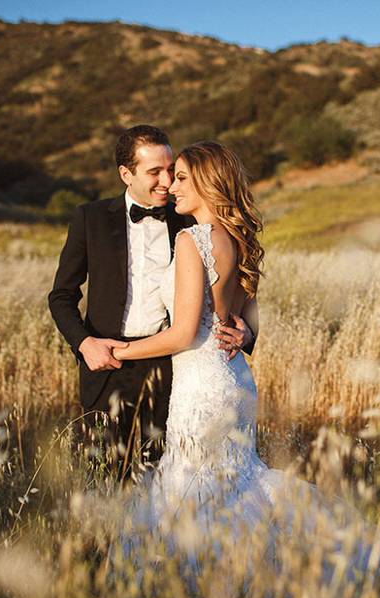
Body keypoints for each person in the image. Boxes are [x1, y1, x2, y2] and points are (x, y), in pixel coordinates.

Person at [109, 142, 380, 596]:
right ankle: (247, 581)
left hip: (202, 385)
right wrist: (245, 335)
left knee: (197, 488)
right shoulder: (237, 238)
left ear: (210, 183)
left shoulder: (193, 240)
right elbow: (248, 317)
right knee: (232, 483)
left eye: (184, 177)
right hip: (232, 380)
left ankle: (208, 591)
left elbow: (185, 332)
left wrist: (118, 351)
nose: (172, 185)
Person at [48, 126, 254, 484]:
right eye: (154, 172)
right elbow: (61, 296)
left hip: (171, 369)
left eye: (172, 171)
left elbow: (237, 288)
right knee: (105, 483)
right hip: (106, 367)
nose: (167, 182)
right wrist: (85, 344)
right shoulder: (90, 218)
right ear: (126, 174)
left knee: (169, 480)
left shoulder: (190, 220)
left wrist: (247, 330)